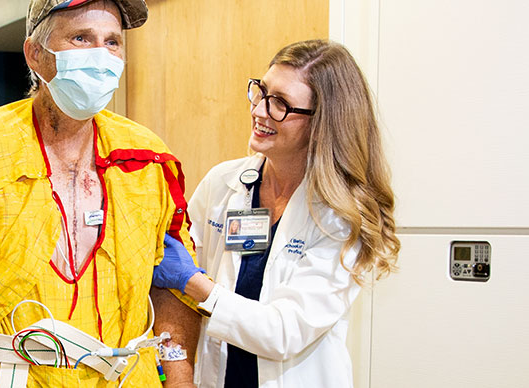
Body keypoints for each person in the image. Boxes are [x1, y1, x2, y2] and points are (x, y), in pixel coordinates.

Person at [0, 1, 202, 387]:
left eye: (112, 42)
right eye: (81, 38)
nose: (100, 56)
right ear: (36, 55)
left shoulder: (147, 160)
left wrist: (179, 375)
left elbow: (172, 283)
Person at [150, 39, 401, 388]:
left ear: (323, 123)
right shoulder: (223, 184)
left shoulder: (342, 216)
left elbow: (283, 332)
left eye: (280, 104)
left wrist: (192, 281)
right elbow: (177, 301)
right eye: (261, 92)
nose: (260, 111)